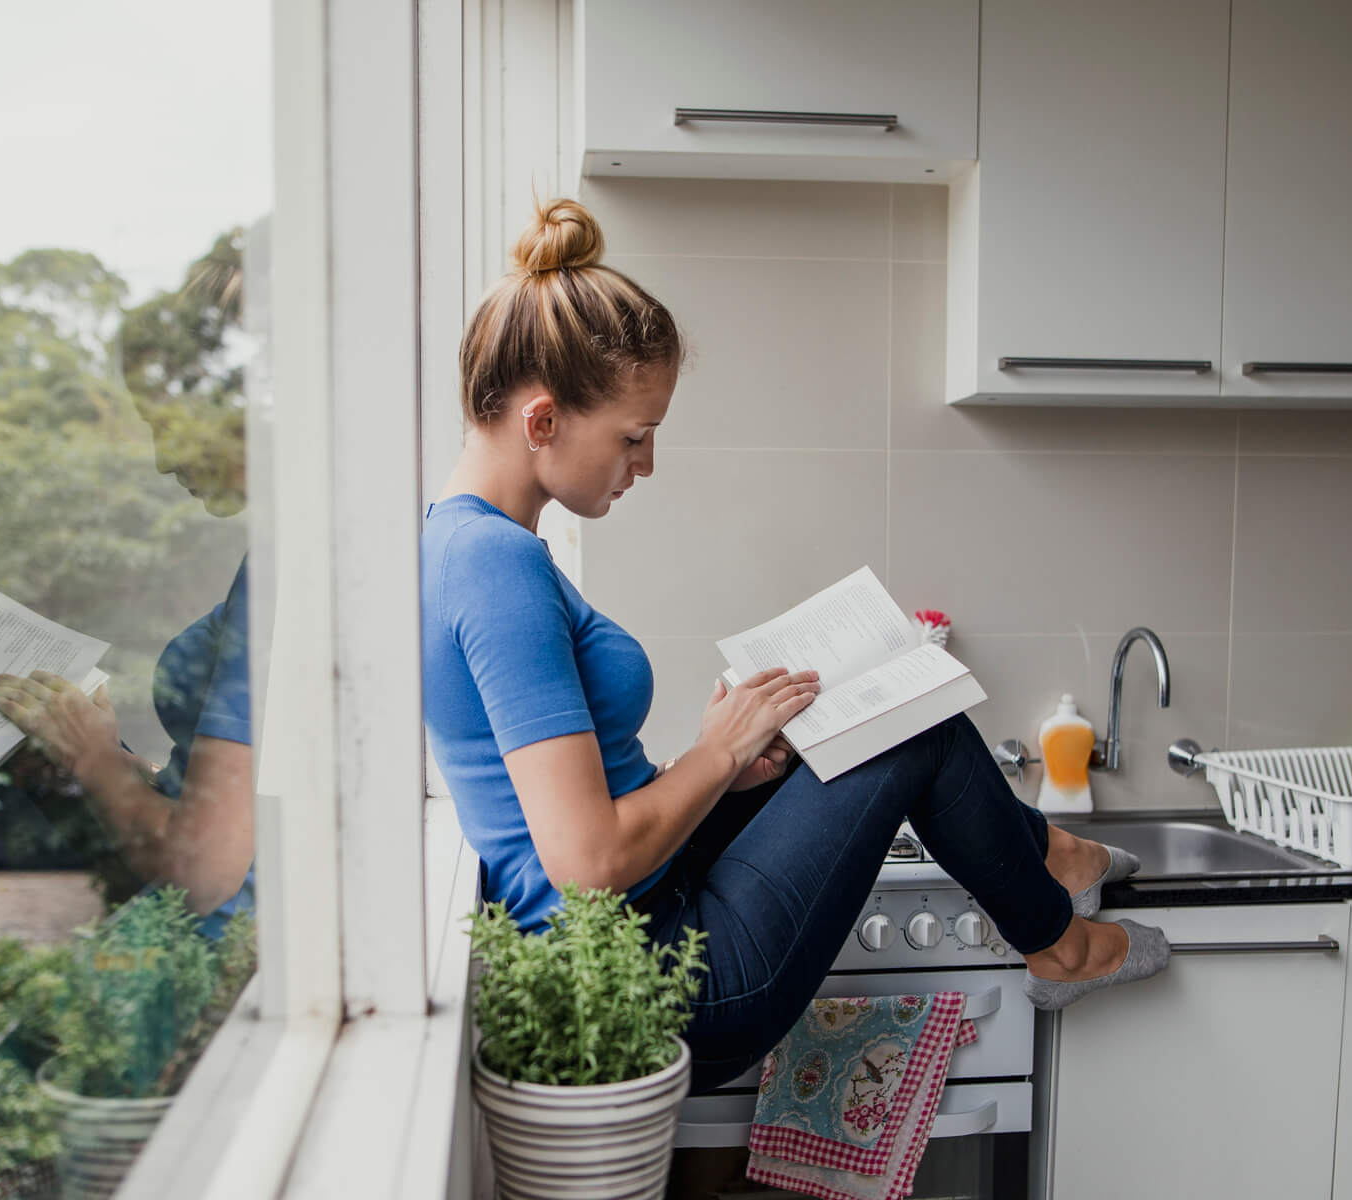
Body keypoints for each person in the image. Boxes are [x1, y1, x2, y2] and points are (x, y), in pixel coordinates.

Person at [424, 199, 1171, 1092]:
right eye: (634, 435)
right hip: (661, 986)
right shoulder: (495, 566)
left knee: (876, 703)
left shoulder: (459, 543)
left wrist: (725, 773)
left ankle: (1050, 863)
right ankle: (1060, 937)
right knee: (913, 721)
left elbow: (577, 807)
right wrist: (713, 751)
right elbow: (587, 864)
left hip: (646, 928)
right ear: (542, 421)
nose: (646, 464)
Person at [0, 430, 254, 939]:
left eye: (166, 424)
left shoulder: (291, 570)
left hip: (228, 947)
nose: (163, 460)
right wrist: (120, 762)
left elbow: (204, 872)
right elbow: (257, 787)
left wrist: (97, 761)